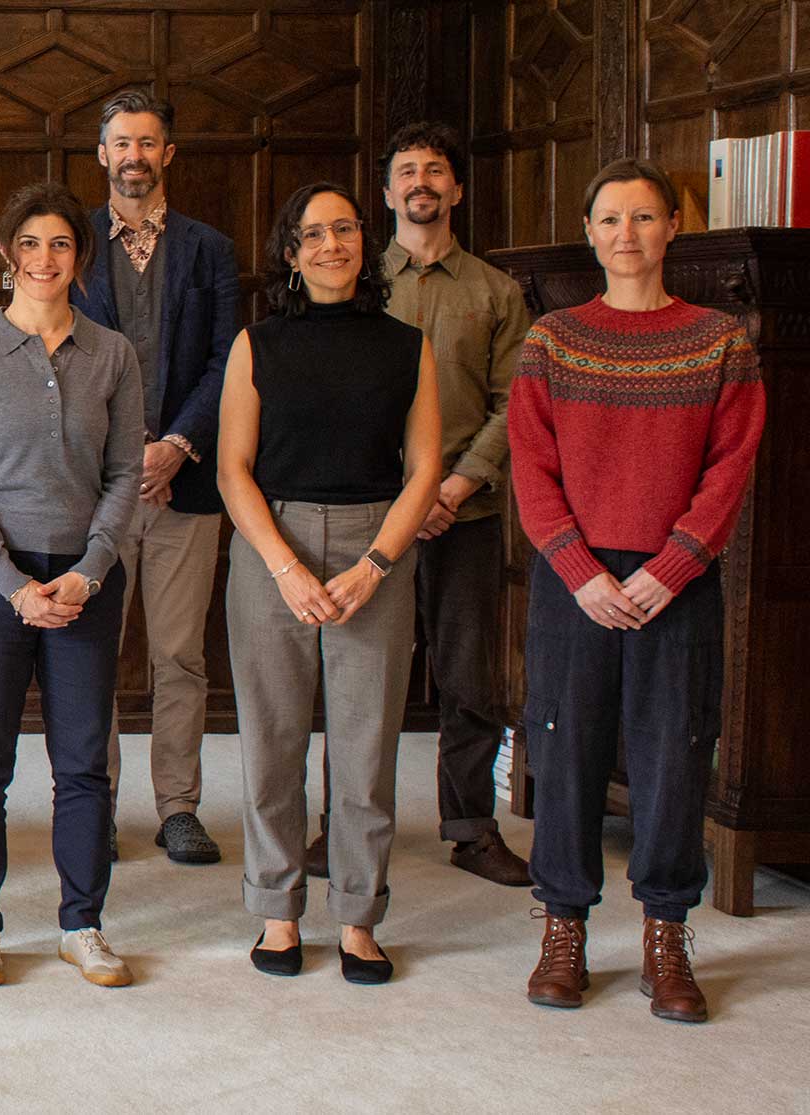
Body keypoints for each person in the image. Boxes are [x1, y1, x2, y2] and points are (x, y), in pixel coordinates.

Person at [515, 159, 764, 1024]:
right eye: (612, 218)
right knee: (565, 746)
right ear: (590, 233)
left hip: (675, 581)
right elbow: (532, 468)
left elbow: (730, 469)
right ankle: (563, 928)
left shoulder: (720, 340)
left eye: (645, 217)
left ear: (672, 229)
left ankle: (666, 933)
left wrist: (672, 566)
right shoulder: (553, 340)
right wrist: (581, 571)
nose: (628, 233)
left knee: (676, 752)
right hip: (573, 582)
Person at [218, 181, 441, 987]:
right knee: (272, 740)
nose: (331, 245)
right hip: (270, 544)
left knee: (365, 747)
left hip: (374, 543)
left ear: (364, 244)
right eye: (312, 234)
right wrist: (284, 565)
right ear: (291, 253)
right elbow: (233, 469)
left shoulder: (408, 345)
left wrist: (376, 563)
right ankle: (277, 909)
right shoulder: (257, 344)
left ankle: (357, 916)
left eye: (344, 229)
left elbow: (425, 470)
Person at [0, 182, 144, 989]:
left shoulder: (112, 354)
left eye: (60, 243)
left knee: (84, 763)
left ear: (78, 256)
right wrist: (15, 585)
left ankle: (82, 923)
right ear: (6, 254)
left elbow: (124, 473)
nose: (45, 258)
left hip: (87, 582)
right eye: (30, 243)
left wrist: (90, 571)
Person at [70, 89, 239, 866]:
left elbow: (226, 358)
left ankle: (178, 806)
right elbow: (59, 357)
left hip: (185, 483)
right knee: (93, 656)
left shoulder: (210, 249)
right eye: (121, 143)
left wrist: (176, 444)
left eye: (147, 143)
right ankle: (94, 804)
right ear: (102, 154)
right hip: (96, 487)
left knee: (180, 655)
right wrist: (125, 454)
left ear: (166, 154)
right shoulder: (72, 245)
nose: (133, 156)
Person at [362, 121, 534, 886]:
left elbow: (514, 402)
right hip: (372, 512)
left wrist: (453, 485)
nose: (421, 182)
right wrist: (403, 494)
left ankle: (470, 828)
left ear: (456, 189)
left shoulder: (496, 291)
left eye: (435, 170)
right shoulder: (359, 280)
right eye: (407, 170)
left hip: (465, 514)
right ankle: (348, 824)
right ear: (387, 191)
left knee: (469, 677)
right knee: (363, 676)